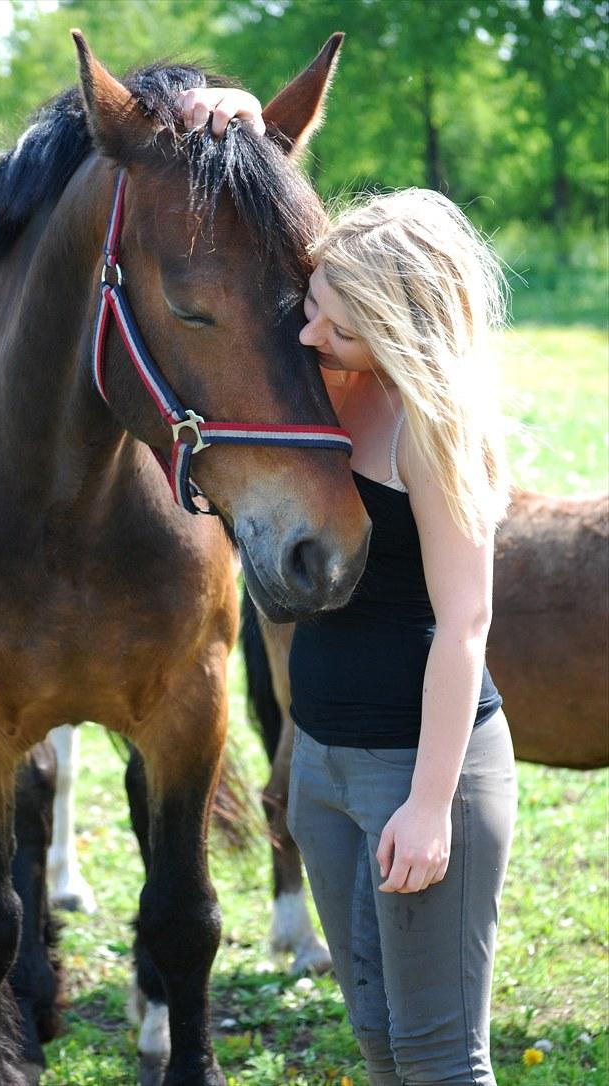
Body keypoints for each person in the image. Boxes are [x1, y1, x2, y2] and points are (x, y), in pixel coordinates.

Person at [178, 88, 517, 1086]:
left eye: (329, 316)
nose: (308, 331)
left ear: (391, 325)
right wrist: (237, 119)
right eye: (312, 306)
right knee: (372, 1036)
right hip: (322, 764)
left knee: (437, 1055)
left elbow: (464, 624)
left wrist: (424, 806)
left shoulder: (432, 432)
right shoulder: (316, 395)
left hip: (420, 770)